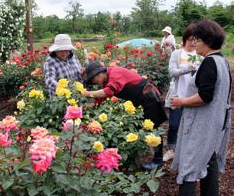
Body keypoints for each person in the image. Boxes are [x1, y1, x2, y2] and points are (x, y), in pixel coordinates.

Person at [170, 19, 231, 196]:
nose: (194, 43)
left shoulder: (209, 62)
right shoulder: (222, 61)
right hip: (216, 121)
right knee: (209, 158)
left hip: (202, 123)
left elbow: (205, 97)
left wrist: (182, 102)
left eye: (197, 39)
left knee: (190, 164)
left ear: (207, 41)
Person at [82, 62, 167, 169]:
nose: (95, 82)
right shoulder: (107, 79)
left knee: (154, 128)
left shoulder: (114, 73)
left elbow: (108, 92)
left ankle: (158, 161)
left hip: (149, 98)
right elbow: (102, 97)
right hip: (139, 101)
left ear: (99, 73)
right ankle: (136, 157)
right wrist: (93, 108)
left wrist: (88, 93)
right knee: (139, 128)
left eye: (94, 79)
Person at [163, 24, 202, 162]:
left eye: (196, 40)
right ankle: (172, 149)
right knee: (174, 124)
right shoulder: (177, 53)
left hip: (194, 96)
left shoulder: (201, 56)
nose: (193, 43)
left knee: (191, 125)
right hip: (178, 95)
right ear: (185, 39)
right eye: (191, 39)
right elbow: (171, 71)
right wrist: (185, 69)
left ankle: (187, 151)